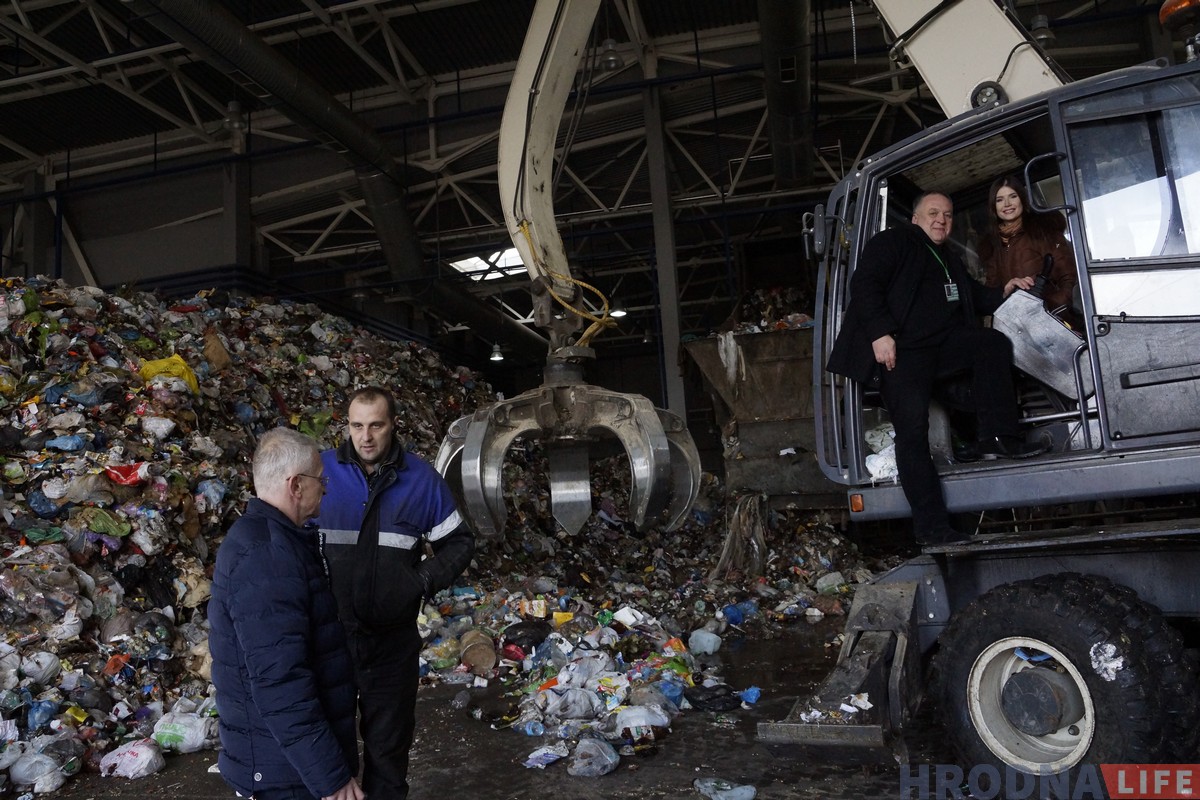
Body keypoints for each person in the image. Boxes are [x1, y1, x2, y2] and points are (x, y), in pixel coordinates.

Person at [826, 191, 1047, 545]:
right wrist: (880, 333)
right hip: (903, 354)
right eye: (933, 213)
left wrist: (1003, 290)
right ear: (915, 218)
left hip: (942, 348)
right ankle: (931, 529)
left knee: (991, 345)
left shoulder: (947, 257)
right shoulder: (892, 241)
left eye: (947, 214)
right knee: (912, 435)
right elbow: (864, 286)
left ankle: (999, 437)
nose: (941, 219)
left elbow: (972, 296)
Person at [317, 386, 475, 800]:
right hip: (330, 637)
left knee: (388, 750)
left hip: (391, 641)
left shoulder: (421, 480)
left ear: (392, 425)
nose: (365, 436)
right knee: (331, 749)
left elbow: (458, 542)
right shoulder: (322, 473)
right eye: (356, 426)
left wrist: (419, 583)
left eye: (375, 425)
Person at [209, 427, 363, 800]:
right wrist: (331, 777)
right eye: (320, 479)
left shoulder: (273, 541)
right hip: (285, 776)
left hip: (283, 764)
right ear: (295, 485)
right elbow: (282, 682)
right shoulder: (267, 557)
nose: (324, 488)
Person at [976, 174, 1078, 314]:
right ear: (994, 207)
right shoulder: (993, 246)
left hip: (1051, 320)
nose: (1007, 204)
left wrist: (1051, 310)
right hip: (1017, 324)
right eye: (999, 200)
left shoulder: (1043, 231)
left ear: (1022, 199)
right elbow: (992, 293)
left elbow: (1069, 278)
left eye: (1013, 196)